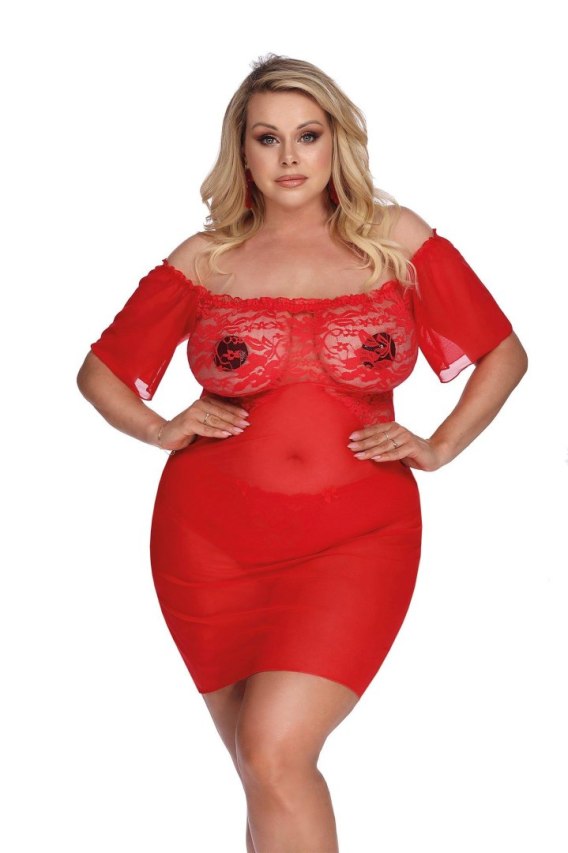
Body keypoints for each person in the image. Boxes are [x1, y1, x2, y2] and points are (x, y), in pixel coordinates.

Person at [77, 53, 528, 852]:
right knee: (263, 768)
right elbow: (101, 372)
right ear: (242, 152)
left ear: (335, 142)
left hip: (358, 536)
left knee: (274, 750)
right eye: (268, 138)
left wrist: (440, 444)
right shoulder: (206, 257)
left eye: (308, 135)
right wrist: (160, 428)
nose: (290, 157)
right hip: (209, 541)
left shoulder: (393, 239)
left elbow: (503, 352)